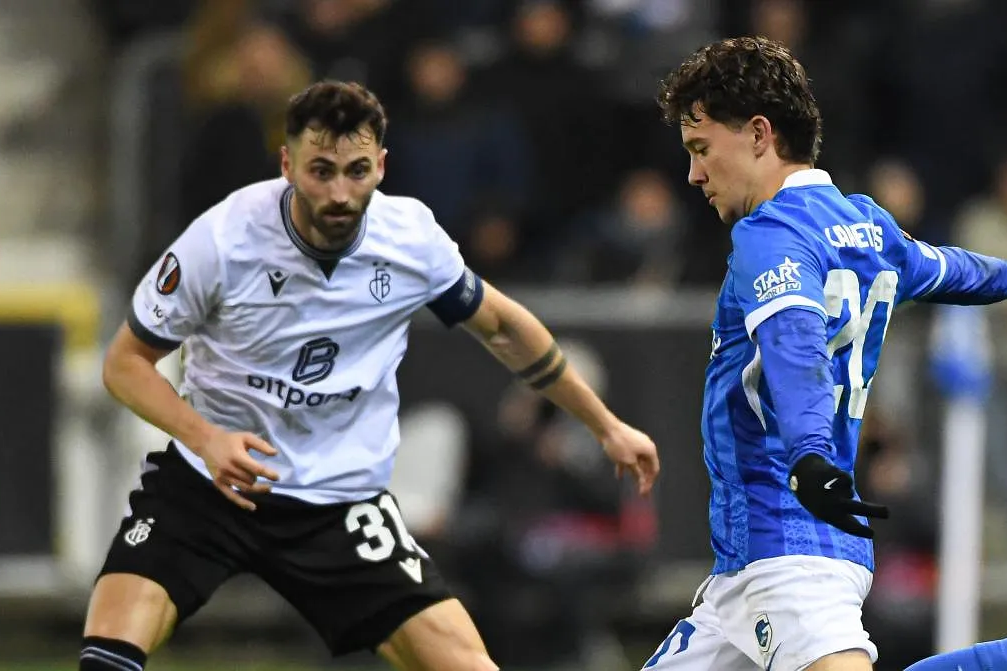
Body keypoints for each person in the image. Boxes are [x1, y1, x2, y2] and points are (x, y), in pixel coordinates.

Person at [642, 37, 1007, 671]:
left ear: (760, 134)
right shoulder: (864, 225)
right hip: (745, 570)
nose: (694, 174)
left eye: (701, 148)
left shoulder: (769, 237)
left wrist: (808, 457)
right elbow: (945, 268)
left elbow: (794, 345)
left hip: (787, 543)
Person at [77, 80, 660, 671]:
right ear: (287, 163)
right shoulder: (222, 240)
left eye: (356, 171)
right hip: (212, 485)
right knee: (106, 660)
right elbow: (125, 364)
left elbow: (504, 327)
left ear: (381, 165)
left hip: (340, 501)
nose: (339, 192)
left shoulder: (408, 238)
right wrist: (206, 438)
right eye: (320, 170)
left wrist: (605, 425)